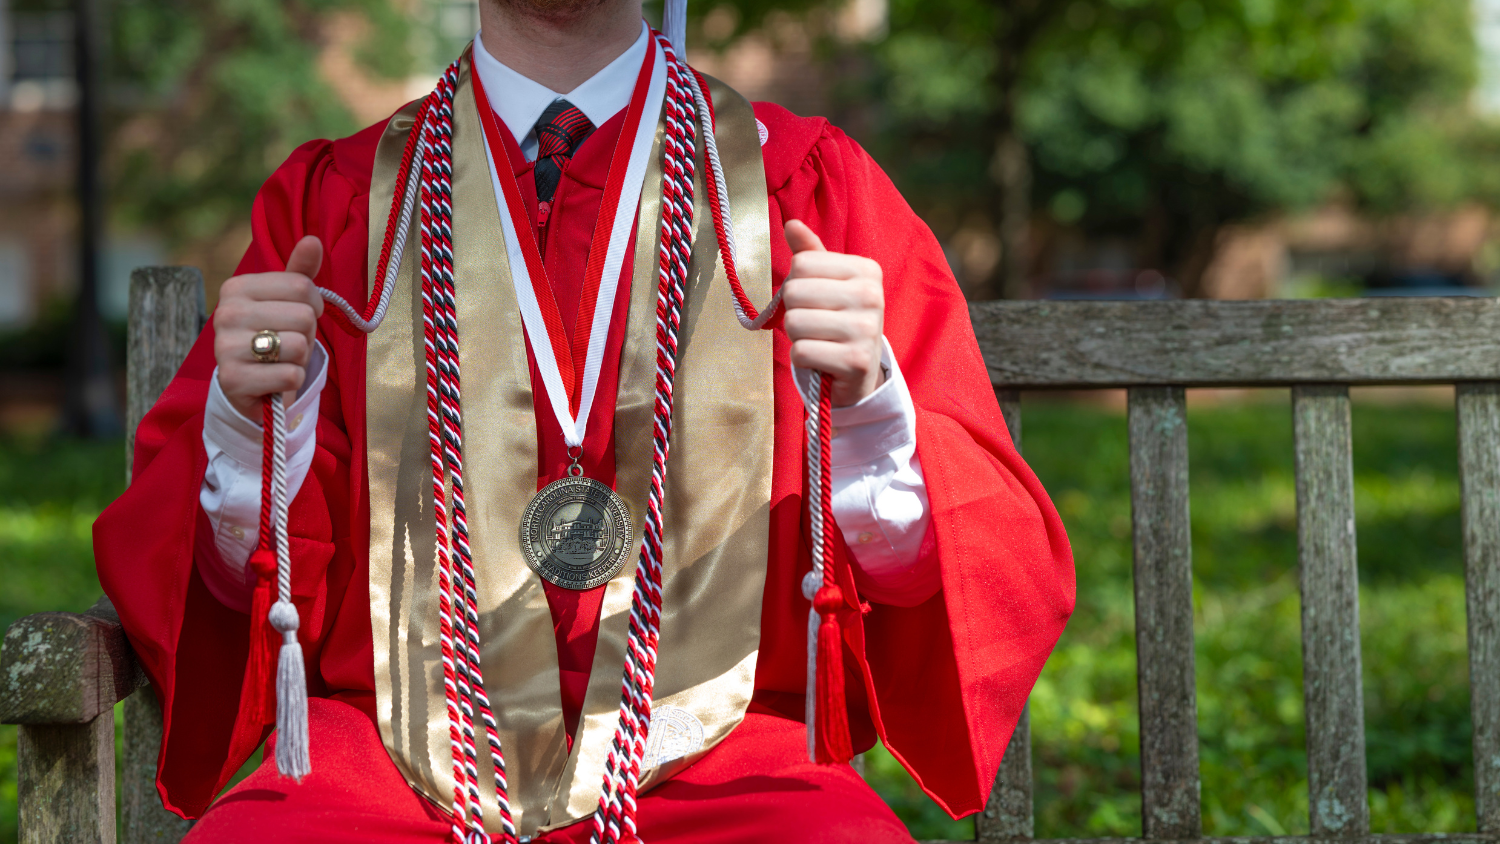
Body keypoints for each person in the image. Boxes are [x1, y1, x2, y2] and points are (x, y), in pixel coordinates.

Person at [94, 0, 1075, 840]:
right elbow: (221, 591)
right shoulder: (341, 204)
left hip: (725, 766)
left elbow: (977, 568)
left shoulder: (803, 187)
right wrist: (249, 424)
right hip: (390, 767)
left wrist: (865, 409)